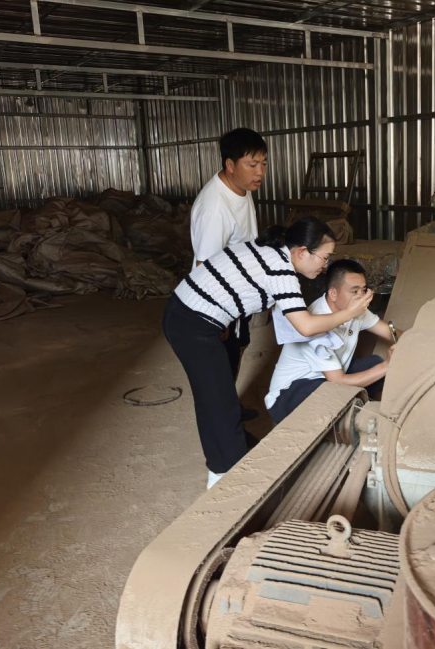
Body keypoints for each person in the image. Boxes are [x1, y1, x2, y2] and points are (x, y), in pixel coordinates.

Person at [163, 217, 374, 489]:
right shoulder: (281, 270)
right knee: (218, 403)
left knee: (218, 395)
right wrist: (349, 313)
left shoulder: (273, 252)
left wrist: (221, 318)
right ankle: (222, 478)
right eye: (324, 257)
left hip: (193, 314)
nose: (325, 265)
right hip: (191, 323)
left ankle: (236, 448)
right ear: (302, 252)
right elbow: (306, 326)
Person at [190, 128, 268, 417]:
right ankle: (225, 416)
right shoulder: (215, 208)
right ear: (230, 165)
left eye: (263, 163)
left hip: (238, 294)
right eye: (252, 164)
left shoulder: (241, 188)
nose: (260, 172)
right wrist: (218, 317)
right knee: (223, 360)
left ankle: (229, 406)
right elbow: (205, 267)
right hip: (220, 301)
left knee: (238, 350)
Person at [265, 259, 398, 425]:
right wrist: (386, 366)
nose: (361, 297)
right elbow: (338, 380)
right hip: (290, 394)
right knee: (333, 391)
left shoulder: (355, 310)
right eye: (354, 291)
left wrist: (410, 341)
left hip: (327, 378)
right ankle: (345, 422)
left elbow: (389, 332)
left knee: (373, 364)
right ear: (333, 293)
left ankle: (355, 410)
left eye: (363, 290)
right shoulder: (315, 323)